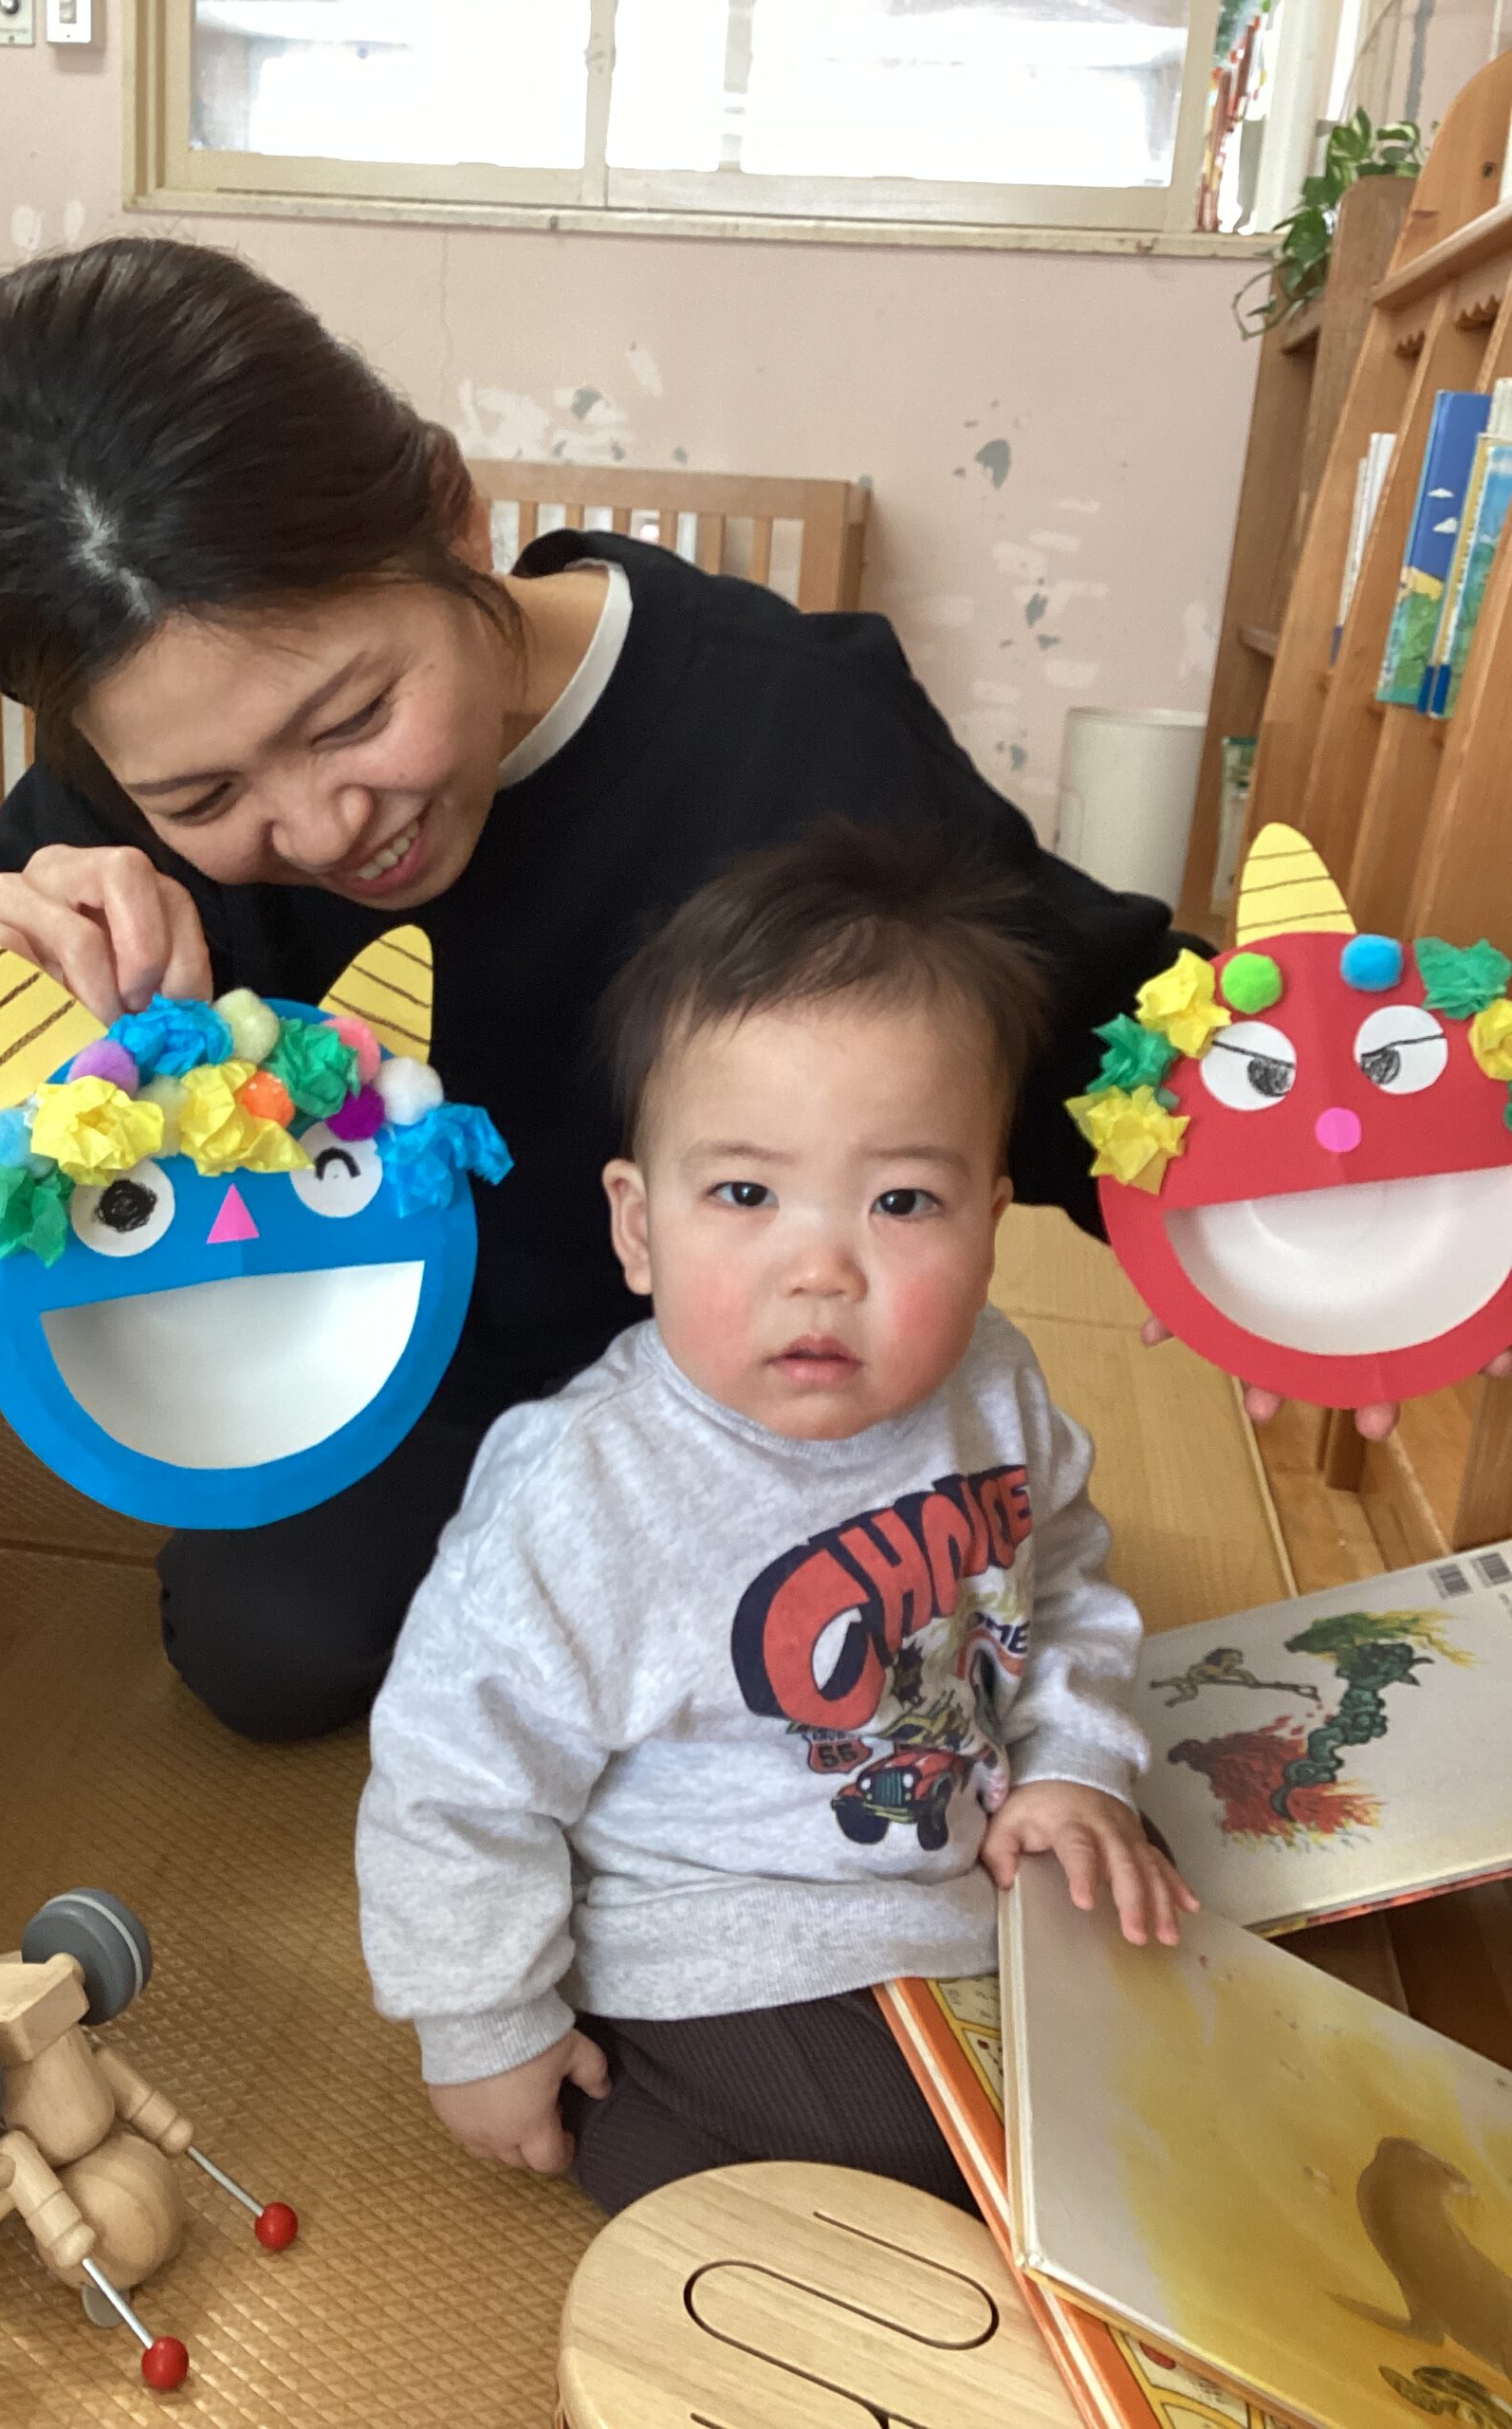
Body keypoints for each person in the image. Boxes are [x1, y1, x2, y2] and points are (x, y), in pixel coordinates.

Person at [0, 233, 1194, 1745]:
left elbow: (1083, 1030)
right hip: (419, 1390)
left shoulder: (785, 724)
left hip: (782, 1344)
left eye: (353, 716)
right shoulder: (117, 823)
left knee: (892, 1628)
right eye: (207, 793)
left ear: (453, 514)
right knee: (268, 1645)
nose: (318, 827)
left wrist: (1289, 1234)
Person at [357, 825, 1194, 2214]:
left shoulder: (992, 1387)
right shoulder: (586, 1488)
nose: (822, 1268)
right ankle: (666, 2151)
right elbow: (456, 1769)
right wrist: (485, 2022)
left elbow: (1063, 1591)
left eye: (903, 1201)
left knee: (1175, 1976)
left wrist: (1076, 1767)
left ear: (993, 1223)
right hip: (717, 1935)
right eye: (745, 1193)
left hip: (962, 1880)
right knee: (929, 2159)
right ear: (639, 1228)